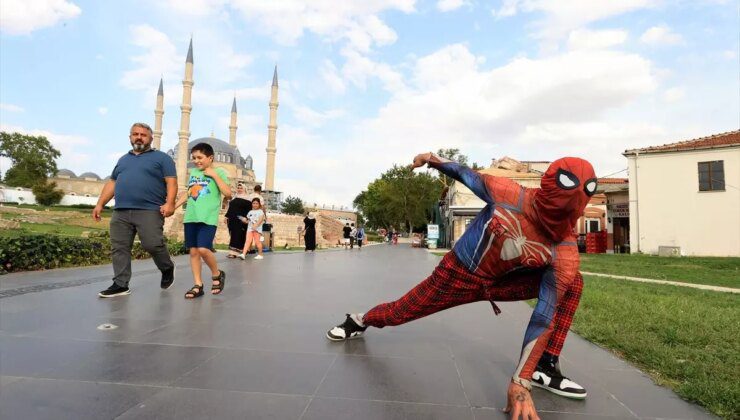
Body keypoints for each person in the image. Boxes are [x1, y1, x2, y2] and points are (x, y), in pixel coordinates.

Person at [326, 152, 598, 420]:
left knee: (573, 282)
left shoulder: (564, 252)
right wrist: (431, 158)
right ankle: (360, 320)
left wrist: (521, 381)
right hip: (457, 274)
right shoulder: (508, 193)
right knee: (400, 312)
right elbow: (463, 173)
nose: (560, 217)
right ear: (549, 186)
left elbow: (544, 317)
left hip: (500, 285)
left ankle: (543, 366)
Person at [94, 122, 177, 298]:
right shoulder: (123, 160)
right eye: (135, 134)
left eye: (143, 134)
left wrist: (170, 203)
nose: (139, 137)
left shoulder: (162, 158)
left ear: (151, 138)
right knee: (120, 247)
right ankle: (120, 284)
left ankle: (166, 267)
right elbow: (113, 183)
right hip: (121, 211)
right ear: (130, 137)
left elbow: (171, 181)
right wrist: (100, 203)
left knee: (152, 244)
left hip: (149, 210)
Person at [173, 142, 231, 299]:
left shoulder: (219, 172)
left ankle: (217, 274)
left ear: (210, 158)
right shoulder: (193, 173)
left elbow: (228, 193)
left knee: (204, 249)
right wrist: (174, 206)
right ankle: (198, 285)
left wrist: (214, 175)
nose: (197, 161)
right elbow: (189, 192)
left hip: (208, 218)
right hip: (191, 216)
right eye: (194, 158)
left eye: (200, 157)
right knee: (193, 251)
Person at [224, 184, 251, 258]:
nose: (239, 189)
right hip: (232, 219)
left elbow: (249, 210)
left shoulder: (248, 198)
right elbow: (230, 208)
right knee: (233, 235)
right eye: (238, 188)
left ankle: (233, 253)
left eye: (241, 188)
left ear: (244, 189)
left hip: (240, 220)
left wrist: (245, 218)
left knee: (238, 235)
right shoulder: (235, 197)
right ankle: (238, 251)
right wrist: (226, 216)